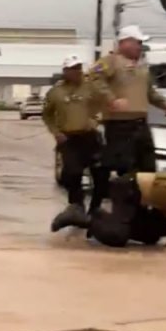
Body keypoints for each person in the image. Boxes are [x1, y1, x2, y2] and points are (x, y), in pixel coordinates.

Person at [88, 25, 166, 175]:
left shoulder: (141, 66)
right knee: (125, 168)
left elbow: (149, 92)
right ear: (126, 42)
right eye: (138, 43)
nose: (140, 47)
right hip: (119, 125)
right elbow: (93, 78)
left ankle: (142, 196)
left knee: (147, 167)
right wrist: (112, 99)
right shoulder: (110, 61)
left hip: (141, 123)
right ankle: (123, 195)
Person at [43, 55, 109, 232]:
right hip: (68, 139)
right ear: (65, 71)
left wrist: (95, 121)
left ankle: (95, 208)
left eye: (79, 68)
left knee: (101, 174)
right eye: (73, 68)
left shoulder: (91, 88)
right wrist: (56, 132)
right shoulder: (55, 92)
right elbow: (47, 114)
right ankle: (77, 206)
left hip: (90, 137)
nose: (77, 71)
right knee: (71, 173)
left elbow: (103, 106)